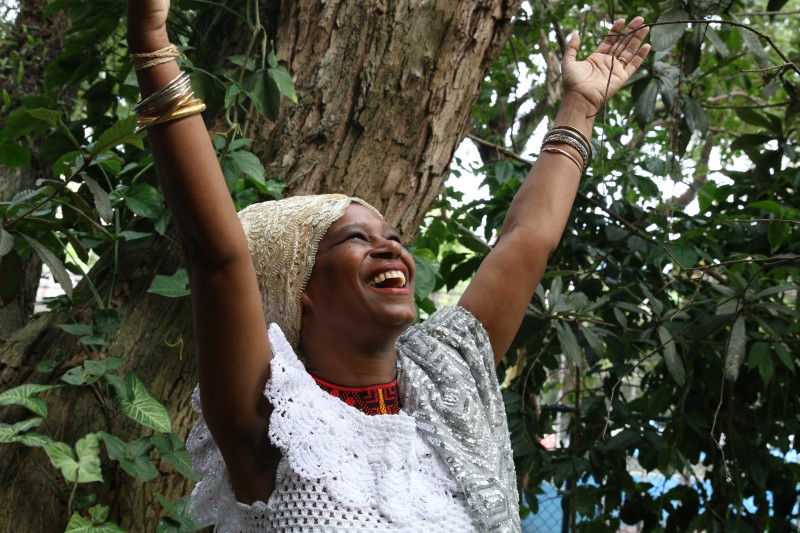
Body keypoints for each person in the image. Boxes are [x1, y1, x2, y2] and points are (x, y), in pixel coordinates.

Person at [127, 1, 650, 531]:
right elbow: (217, 257)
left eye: (393, 238)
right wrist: (151, 41)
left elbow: (527, 240)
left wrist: (579, 106)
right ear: (299, 289)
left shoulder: (447, 382)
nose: (391, 249)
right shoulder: (274, 417)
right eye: (356, 239)